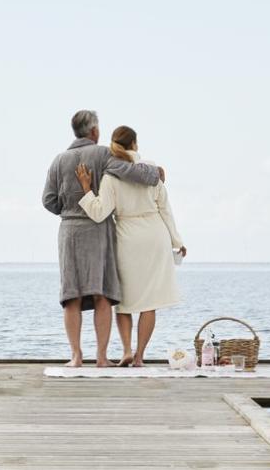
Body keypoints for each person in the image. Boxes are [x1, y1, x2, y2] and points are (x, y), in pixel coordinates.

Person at [42, 110, 163, 367]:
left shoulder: (58, 160)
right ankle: (101, 357)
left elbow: (48, 200)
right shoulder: (103, 154)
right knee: (102, 295)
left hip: (69, 231)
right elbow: (129, 171)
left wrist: (69, 211)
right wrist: (155, 174)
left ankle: (76, 356)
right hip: (98, 230)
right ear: (95, 131)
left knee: (71, 295)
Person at [75, 125, 185, 367]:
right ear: (135, 144)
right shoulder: (151, 171)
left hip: (126, 238)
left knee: (124, 300)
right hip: (155, 235)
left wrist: (86, 189)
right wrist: (177, 240)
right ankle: (139, 357)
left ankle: (126, 350)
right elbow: (165, 209)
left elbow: (98, 212)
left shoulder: (110, 177)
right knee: (150, 301)